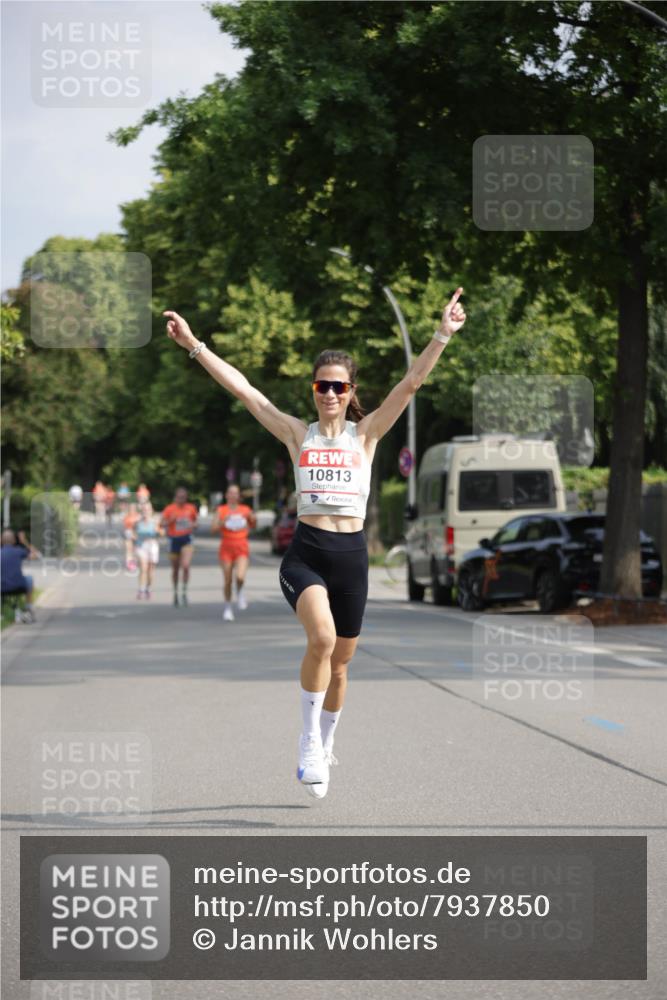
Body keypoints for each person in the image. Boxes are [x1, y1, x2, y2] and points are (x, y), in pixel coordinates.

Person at [163, 289, 466, 798]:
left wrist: (442, 334)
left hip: (352, 559)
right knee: (321, 640)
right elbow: (246, 391)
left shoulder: (365, 436)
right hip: (307, 554)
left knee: (342, 665)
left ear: (350, 391)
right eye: (321, 385)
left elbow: (411, 383)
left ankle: (325, 742)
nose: (329, 393)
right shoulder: (295, 434)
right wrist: (195, 345)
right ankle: (306, 741)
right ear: (313, 390)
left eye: (338, 386)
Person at [211, 483, 257, 621]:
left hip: (241, 547)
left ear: (239, 496)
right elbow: (213, 530)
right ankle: (228, 608)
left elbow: (253, 525)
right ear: (226, 495)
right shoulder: (221, 510)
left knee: (240, 577)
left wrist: (254, 519)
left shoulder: (245, 509)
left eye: (235, 493)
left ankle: (240, 591)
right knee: (227, 580)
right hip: (226, 547)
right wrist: (222, 522)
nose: (233, 495)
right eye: (230, 492)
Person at [160, 487, 198, 606]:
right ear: (175, 497)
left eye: (184, 497)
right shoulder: (169, 509)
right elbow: (161, 523)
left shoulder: (191, 508)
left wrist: (193, 525)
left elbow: (196, 522)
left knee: (185, 566)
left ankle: (184, 591)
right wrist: (170, 521)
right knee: (175, 569)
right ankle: (175, 592)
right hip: (174, 539)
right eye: (179, 497)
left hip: (187, 539)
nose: (182, 499)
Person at [1, 529, 40, 622]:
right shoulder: (19, 551)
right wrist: (24, 541)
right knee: (29, 578)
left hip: (1, 588)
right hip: (19, 586)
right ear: (14, 541)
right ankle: (28, 608)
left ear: (1, 540)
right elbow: (37, 555)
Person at [133, 502, 162, 599]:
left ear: (151, 510)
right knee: (143, 568)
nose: (145, 511)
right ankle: (141, 589)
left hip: (152, 546)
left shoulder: (155, 521)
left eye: (148, 509)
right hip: (141, 546)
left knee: (150, 571)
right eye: (144, 509)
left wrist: (159, 532)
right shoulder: (137, 522)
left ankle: (148, 588)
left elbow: (161, 533)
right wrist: (133, 538)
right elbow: (133, 534)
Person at [122, 502, 140, 571]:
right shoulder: (127, 517)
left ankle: (134, 563)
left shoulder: (138, 516)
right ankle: (129, 564)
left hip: (137, 534)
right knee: (129, 549)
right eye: (131, 508)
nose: (132, 509)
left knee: (135, 550)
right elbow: (126, 528)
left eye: (134, 508)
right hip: (129, 534)